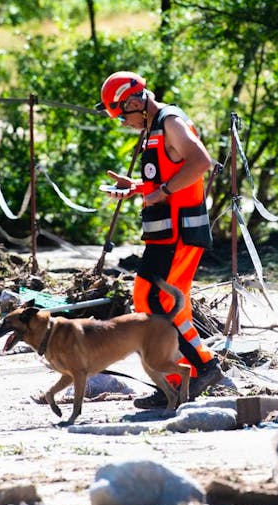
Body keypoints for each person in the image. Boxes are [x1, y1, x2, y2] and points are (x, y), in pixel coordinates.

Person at [96, 70, 226, 407]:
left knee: (153, 299)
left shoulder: (170, 121)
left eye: (122, 115)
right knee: (163, 302)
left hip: (179, 232)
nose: (124, 123)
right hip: (164, 232)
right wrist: (138, 188)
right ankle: (182, 379)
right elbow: (170, 173)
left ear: (134, 101)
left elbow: (201, 162)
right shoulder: (154, 127)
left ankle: (202, 369)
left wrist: (163, 190)